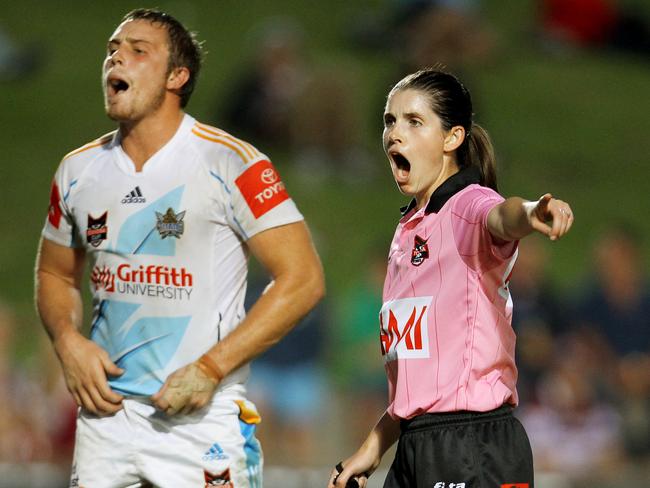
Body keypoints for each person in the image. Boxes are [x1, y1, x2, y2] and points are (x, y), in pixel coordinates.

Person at [34, 8, 324, 488]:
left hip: (201, 419)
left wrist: (211, 367)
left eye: (137, 51)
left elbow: (303, 279)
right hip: (105, 421)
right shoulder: (77, 171)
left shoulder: (232, 163)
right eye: (112, 51)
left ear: (177, 76)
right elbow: (55, 275)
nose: (115, 60)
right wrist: (67, 341)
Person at [329, 67, 574, 488]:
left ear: (452, 138)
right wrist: (374, 445)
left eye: (413, 121)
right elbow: (421, 380)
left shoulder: (466, 204)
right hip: (417, 445)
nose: (394, 133)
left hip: (474, 445)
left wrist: (533, 212)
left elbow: (502, 214)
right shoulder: (409, 232)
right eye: (390, 120)